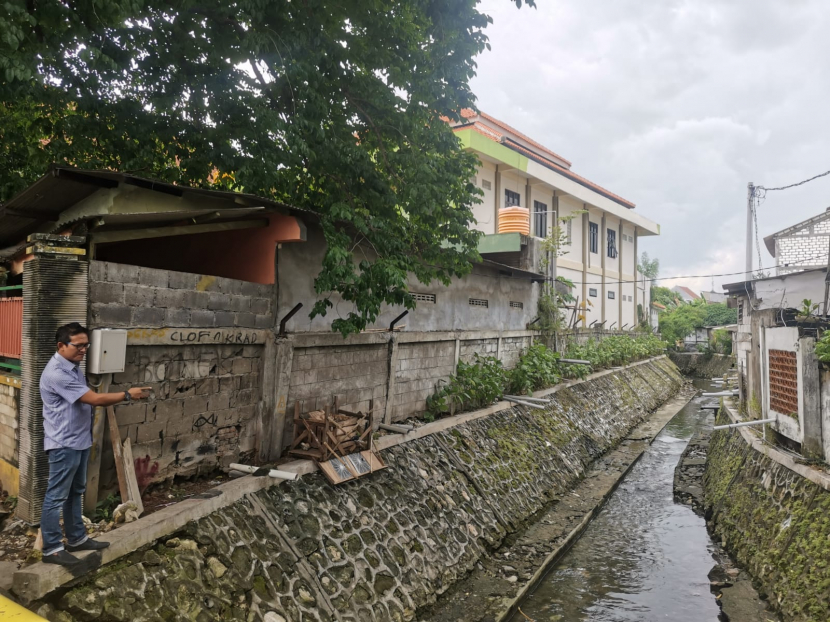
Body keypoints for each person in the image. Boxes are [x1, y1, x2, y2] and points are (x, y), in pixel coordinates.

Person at [39, 322, 151, 567]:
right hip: (63, 444)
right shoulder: (57, 373)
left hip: (78, 441)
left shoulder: (73, 367)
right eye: (78, 346)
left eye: (86, 345)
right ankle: (52, 549)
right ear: (61, 345)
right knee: (56, 497)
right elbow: (95, 399)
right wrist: (128, 394)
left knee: (75, 492)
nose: (84, 350)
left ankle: (77, 539)